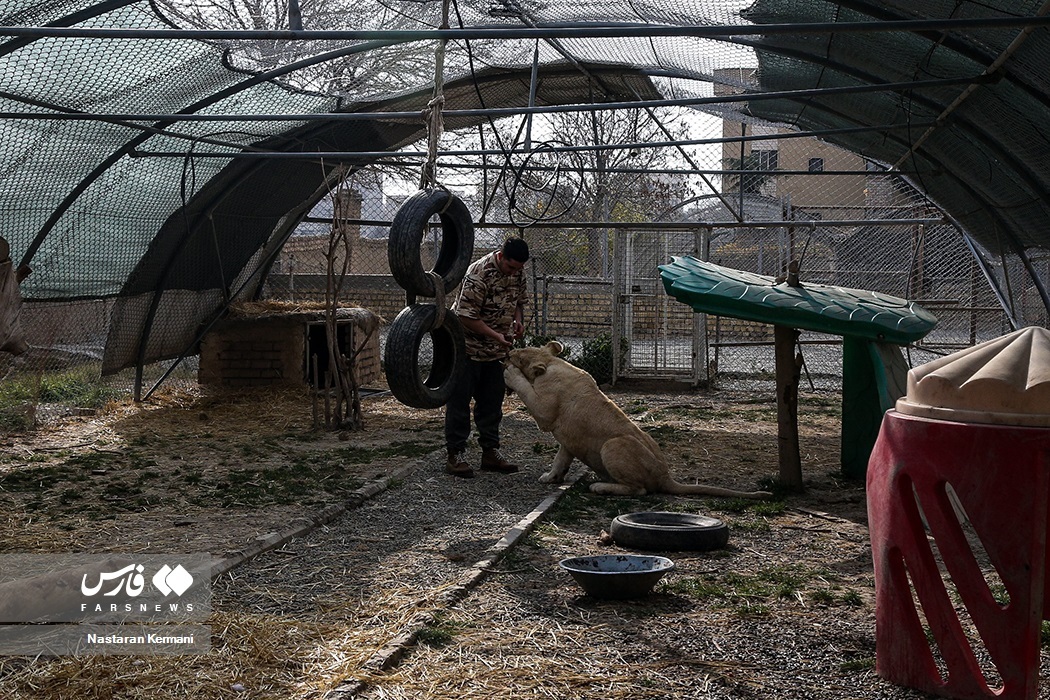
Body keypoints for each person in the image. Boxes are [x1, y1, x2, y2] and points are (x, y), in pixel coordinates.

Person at [444, 236, 530, 478]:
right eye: (511, 267)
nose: (514, 272)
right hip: (466, 348)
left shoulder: (517, 272)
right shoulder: (478, 274)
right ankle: (456, 455)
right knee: (459, 404)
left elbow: (518, 301)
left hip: (495, 351)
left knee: (492, 404)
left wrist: (518, 321)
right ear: (501, 257)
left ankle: (490, 453)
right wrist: (495, 335)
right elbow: (465, 317)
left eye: (519, 269)